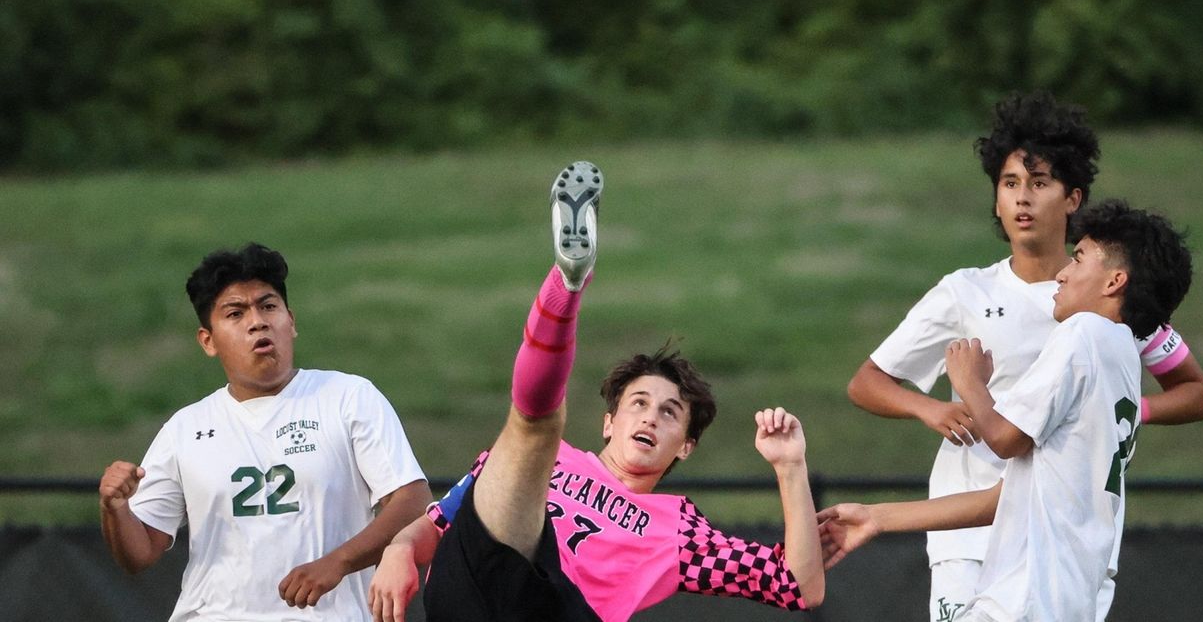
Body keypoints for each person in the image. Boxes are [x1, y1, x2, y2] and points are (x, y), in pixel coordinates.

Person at [367, 161, 825, 622]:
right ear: (609, 421)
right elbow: (441, 521)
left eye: (670, 413)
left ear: (686, 446)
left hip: (559, 610)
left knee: (535, 434)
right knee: (530, 436)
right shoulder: (543, 463)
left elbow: (798, 587)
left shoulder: (678, 528)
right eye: (639, 404)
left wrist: (790, 466)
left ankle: (568, 284)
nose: (650, 417)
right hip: (474, 586)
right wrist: (399, 550)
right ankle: (567, 281)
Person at [844, 91, 1203, 620]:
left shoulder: (1102, 316)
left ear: (1073, 199)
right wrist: (930, 411)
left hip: (1051, 553)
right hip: (984, 530)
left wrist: (973, 384)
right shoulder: (973, 293)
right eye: (1010, 183)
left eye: (1039, 184)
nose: (1022, 198)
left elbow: (1195, 393)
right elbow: (868, 382)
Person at [99, 242, 431, 621]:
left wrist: (338, 562)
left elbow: (412, 500)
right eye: (236, 313)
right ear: (208, 340)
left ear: (291, 321)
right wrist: (115, 506)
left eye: (268, 306)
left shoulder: (348, 397)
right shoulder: (185, 429)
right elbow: (139, 553)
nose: (257, 321)